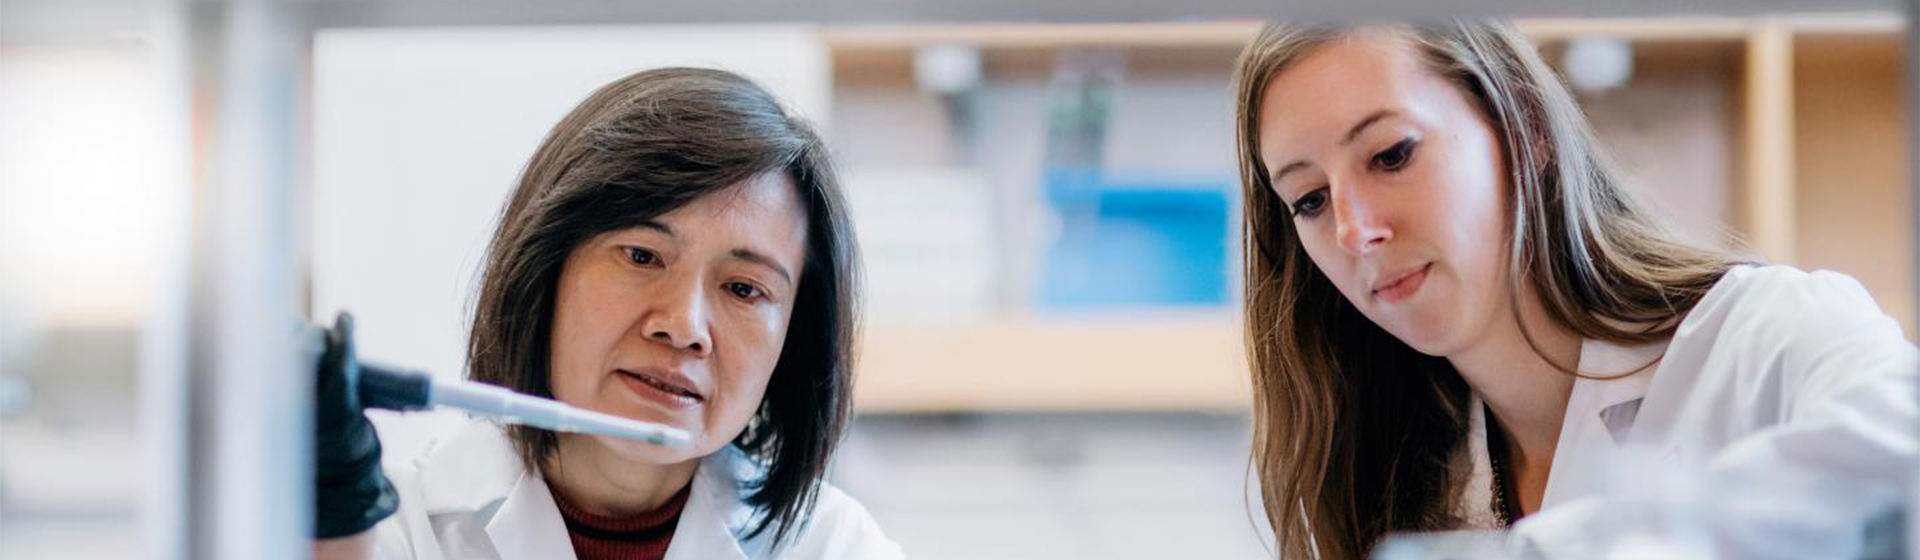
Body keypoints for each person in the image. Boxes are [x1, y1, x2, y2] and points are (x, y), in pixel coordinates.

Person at [1231, 19, 1917, 560]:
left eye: (1391, 155)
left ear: (1524, 127)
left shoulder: (1761, 336)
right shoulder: (1401, 473)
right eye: (1310, 200)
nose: (1355, 230)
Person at [311, 67, 903, 560]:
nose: (684, 326)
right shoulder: (397, 532)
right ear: (546, 269)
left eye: (744, 290)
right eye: (642, 255)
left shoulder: (832, 546)